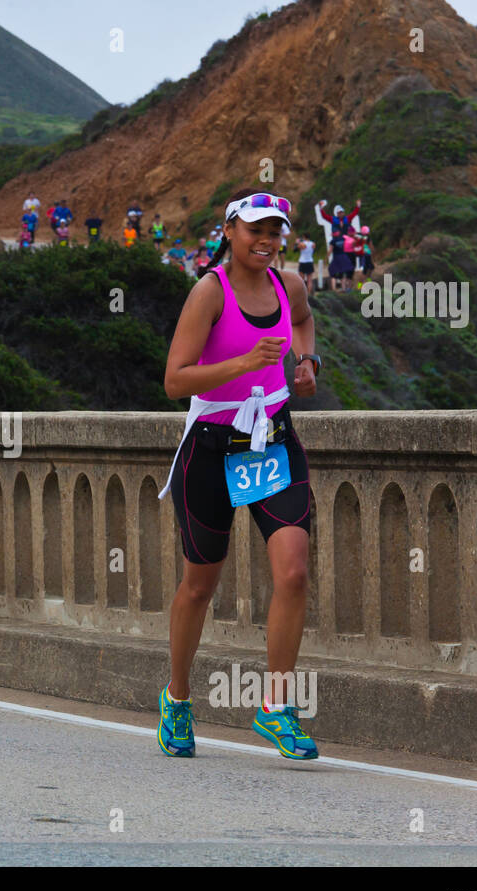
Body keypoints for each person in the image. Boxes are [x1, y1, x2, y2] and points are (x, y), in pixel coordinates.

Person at [158, 188, 321, 761]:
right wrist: (242, 364)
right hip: (210, 446)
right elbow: (176, 381)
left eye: (275, 231)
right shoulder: (209, 293)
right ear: (228, 232)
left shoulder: (289, 286)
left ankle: (276, 707)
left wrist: (305, 362)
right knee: (199, 586)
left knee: (294, 572)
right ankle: (177, 699)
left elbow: (303, 324)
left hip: (272, 438)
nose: (266, 240)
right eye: (255, 230)